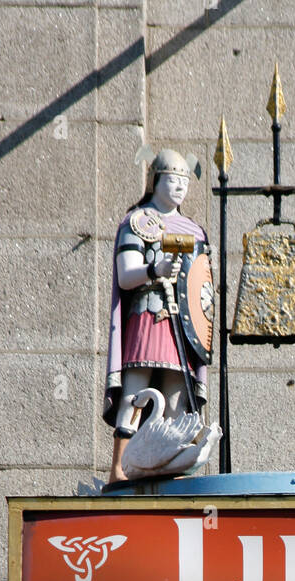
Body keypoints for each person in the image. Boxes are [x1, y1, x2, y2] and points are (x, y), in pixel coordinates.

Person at [103, 150, 208, 484]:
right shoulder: (137, 222)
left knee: (177, 399)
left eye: (184, 181)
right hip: (146, 316)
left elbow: (201, 286)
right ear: (155, 180)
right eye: (172, 179)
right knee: (136, 391)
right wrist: (154, 269)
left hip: (181, 324)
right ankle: (119, 467)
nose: (179, 187)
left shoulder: (194, 230)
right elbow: (125, 274)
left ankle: (169, 468)